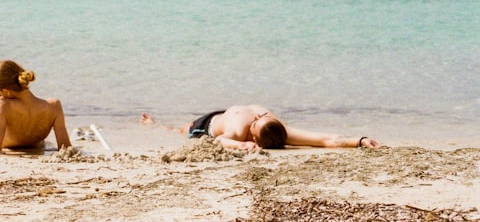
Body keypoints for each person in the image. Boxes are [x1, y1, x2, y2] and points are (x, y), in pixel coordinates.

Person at [139, 104, 382, 150]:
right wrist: (243, 145)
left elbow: (324, 140)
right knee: (181, 131)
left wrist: (359, 140)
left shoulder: (278, 130)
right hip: (208, 124)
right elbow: (221, 140)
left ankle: (153, 123)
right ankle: (153, 124)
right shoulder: (240, 127)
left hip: (228, 115)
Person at [0, 60, 71, 153]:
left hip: (7, 142)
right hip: (35, 144)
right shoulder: (54, 106)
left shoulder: (4, 106)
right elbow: (65, 148)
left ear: (6, 91)